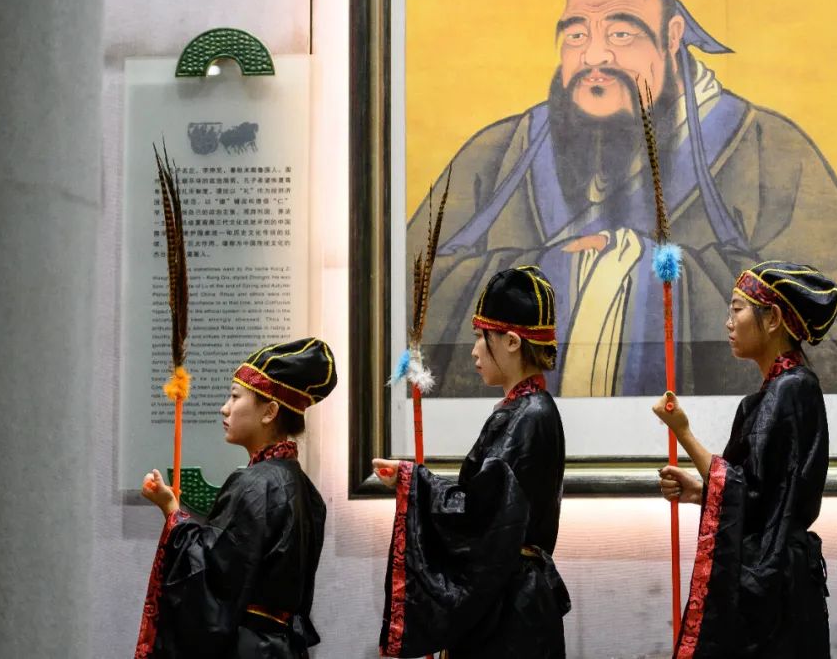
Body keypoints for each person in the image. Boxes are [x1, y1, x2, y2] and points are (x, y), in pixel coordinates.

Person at [408, 0, 837, 398]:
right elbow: (413, 293)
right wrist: (554, 267)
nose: (593, 56)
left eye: (621, 34)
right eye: (576, 34)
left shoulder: (765, 150)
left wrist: (638, 266)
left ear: (672, 35)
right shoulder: (499, 151)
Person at [373, 266, 569, 658]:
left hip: (509, 615)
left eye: (482, 336)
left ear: (512, 342)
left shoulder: (527, 416)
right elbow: (488, 503)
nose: (474, 350)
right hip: (515, 600)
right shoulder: (529, 410)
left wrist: (414, 482)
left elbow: (483, 513)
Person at [656, 261, 835, 658]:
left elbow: (746, 491)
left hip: (776, 582)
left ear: (772, 319)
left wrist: (683, 432)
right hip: (775, 573)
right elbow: (758, 494)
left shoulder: (790, 389)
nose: (728, 323)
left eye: (737, 310)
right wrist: (700, 492)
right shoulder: (779, 391)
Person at [135, 337, 337, 659]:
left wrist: (171, 511)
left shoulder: (253, 484)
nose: (224, 408)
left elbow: (213, 579)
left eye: (234, 396)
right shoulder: (308, 492)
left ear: (269, 411)